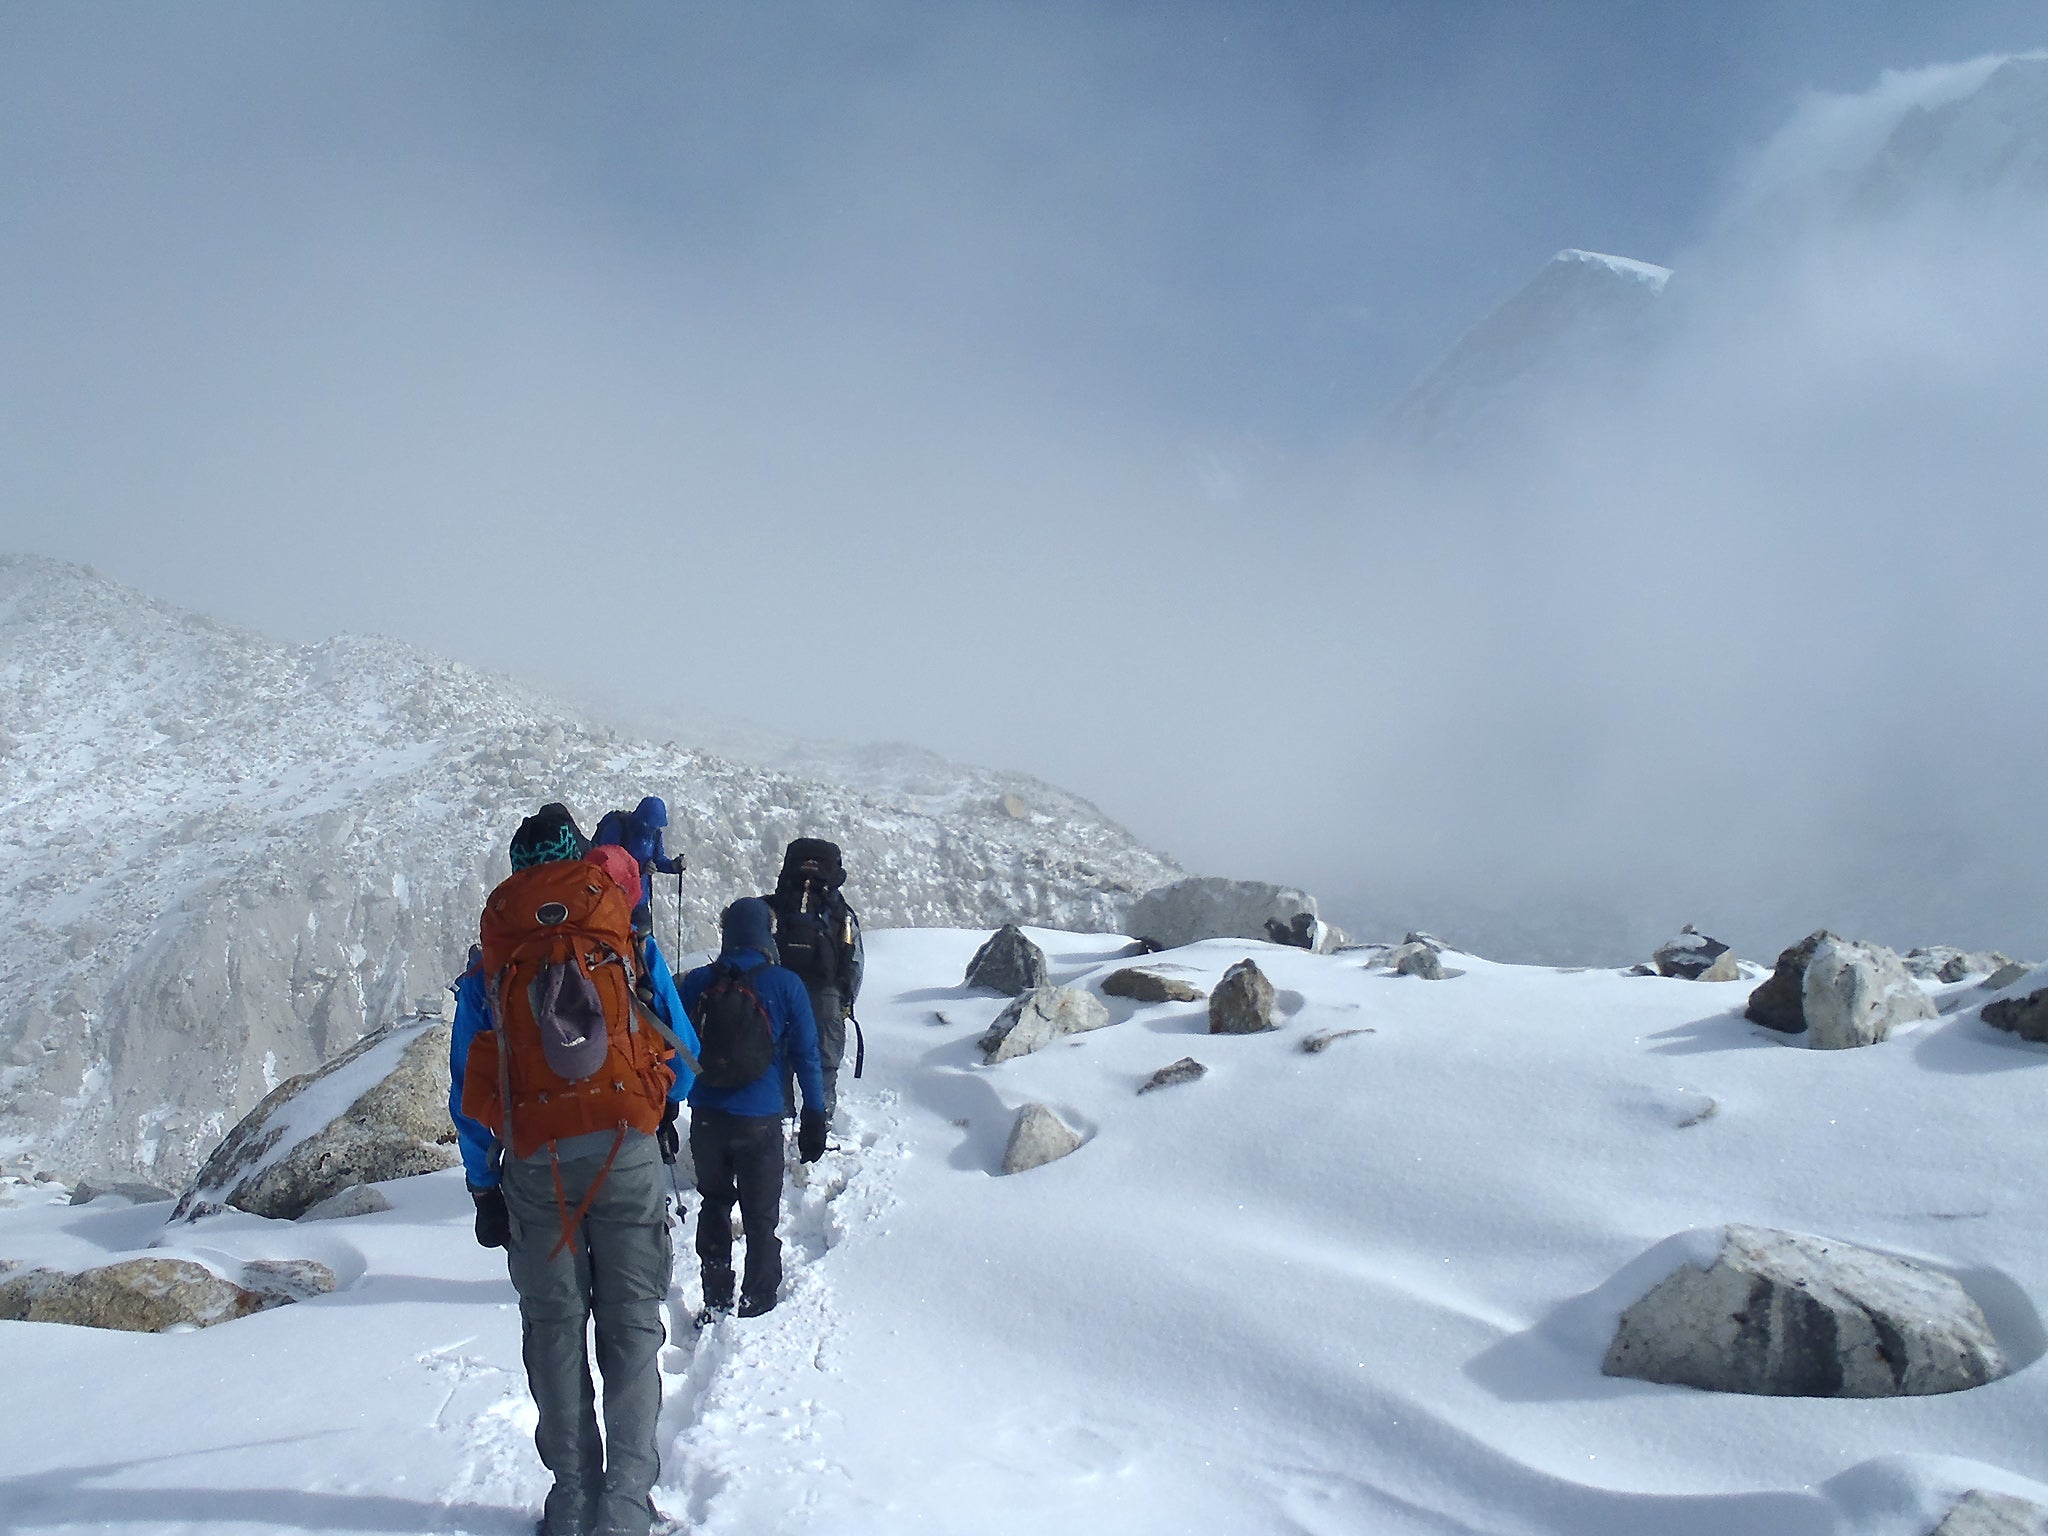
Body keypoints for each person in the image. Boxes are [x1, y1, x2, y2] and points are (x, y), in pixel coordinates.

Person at [448, 801, 700, 1536]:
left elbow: (470, 1087)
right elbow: (681, 1061)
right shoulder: (620, 934)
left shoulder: (491, 964)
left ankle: (570, 1499)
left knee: (554, 1327)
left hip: (535, 1164)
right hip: (625, 1150)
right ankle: (624, 1506)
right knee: (630, 1326)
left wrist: (482, 1185)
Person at [677, 896, 827, 1322]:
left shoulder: (697, 982)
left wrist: (668, 1108)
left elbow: (674, 1046)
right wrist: (814, 1115)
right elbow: (807, 1055)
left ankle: (716, 1298)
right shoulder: (785, 984)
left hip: (707, 1116)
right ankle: (758, 1301)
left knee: (715, 1203)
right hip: (761, 1119)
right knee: (761, 1218)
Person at [761, 838, 864, 1122]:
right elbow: (854, 962)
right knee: (824, 1066)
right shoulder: (841, 913)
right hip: (825, 997)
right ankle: (820, 1122)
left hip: (777, 995)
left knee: (777, 1061)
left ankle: (780, 1124)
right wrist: (844, 1003)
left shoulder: (774, 907)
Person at [592, 795, 685, 933]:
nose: (654, 829)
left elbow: (657, 860)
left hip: (639, 899)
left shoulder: (655, 834)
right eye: (651, 826)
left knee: (643, 944)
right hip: (615, 900)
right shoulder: (618, 828)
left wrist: (673, 866)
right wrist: (639, 869)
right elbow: (606, 863)